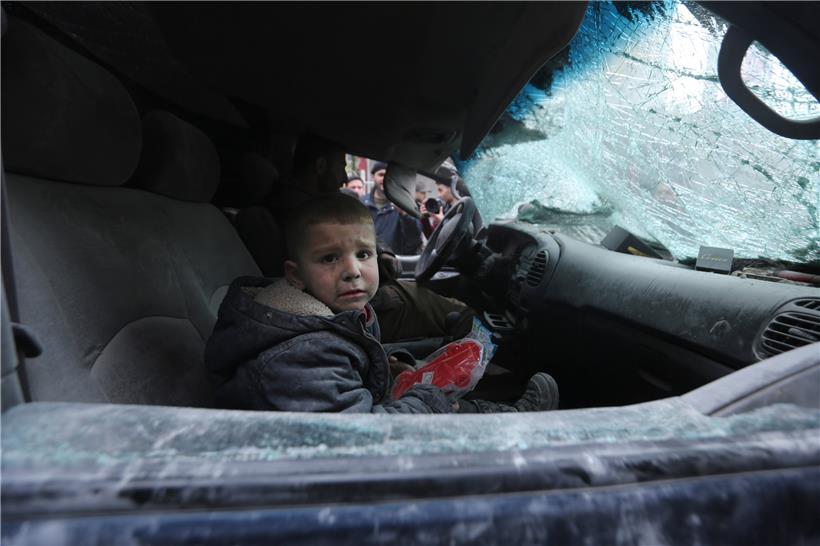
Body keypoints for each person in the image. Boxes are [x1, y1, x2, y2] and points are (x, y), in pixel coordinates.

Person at [206, 192, 559, 414]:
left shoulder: (335, 317)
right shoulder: (299, 355)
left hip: (351, 412)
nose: (352, 271)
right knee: (435, 404)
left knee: (430, 396)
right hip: (345, 456)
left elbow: (347, 373)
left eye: (363, 253)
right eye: (329, 259)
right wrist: (425, 398)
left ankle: (504, 417)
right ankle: (512, 427)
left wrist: (389, 372)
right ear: (295, 275)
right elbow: (362, 442)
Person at [363, 161, 423, 255]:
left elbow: (415, 240)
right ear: (372, 176)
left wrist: (405, 215)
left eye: (388, 174)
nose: (385, 178)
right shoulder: (361, 203)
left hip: (395, 263)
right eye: (381, 174)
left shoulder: (405, 204)